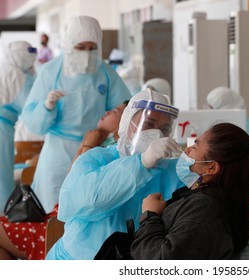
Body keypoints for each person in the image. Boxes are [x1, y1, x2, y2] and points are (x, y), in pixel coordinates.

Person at [46, 89, 183, 260]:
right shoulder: (95, 159)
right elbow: (84, 202)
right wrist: (142, 163)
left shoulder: (172, 171)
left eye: (165, 128)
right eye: (148, 124)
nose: (157, 134)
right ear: (127, 123)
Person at [21, 15, 131, 213]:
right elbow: (33, 123)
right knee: (53, 211)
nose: (87, 54)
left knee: (89, 208)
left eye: (92, 48)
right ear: (69, 44)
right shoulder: (50, 72)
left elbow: (126, 108)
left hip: (94, 148)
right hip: (58, 151)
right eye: (81, 48)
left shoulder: (104, 72)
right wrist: (46, 107)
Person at [0, 102, 127, 260]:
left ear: (126, 121)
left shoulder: (114, 153)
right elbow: (71, 176)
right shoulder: (99, 141)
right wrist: (86, 143)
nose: (107, 112)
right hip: (56, 217)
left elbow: (77, 185)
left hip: (61, 227)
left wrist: (88, 144)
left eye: (115, 111)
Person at [131, 122, 249, 259]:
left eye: (195, 146)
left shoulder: (205, 207)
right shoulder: (214, 198)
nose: (187, 150)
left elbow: (163, 263)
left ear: (211, 168)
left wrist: (150, 215)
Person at [0, 41, 37, 212]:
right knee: (2, 180)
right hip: (2, 129)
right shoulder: (17, 76)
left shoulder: (3, 67)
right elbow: (34, 110)